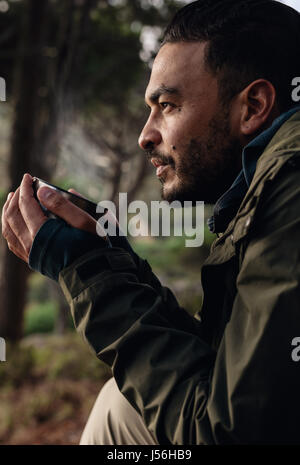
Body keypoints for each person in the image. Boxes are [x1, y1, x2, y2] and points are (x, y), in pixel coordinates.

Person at [2, 0, 300, 445]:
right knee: (121, 406)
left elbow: (226, 433)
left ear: (254, 105)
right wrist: (108, 260)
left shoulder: (290, 186)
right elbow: (223, 371)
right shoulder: (263, 186)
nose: (145, 134)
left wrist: (89, 276)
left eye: (167, 105)